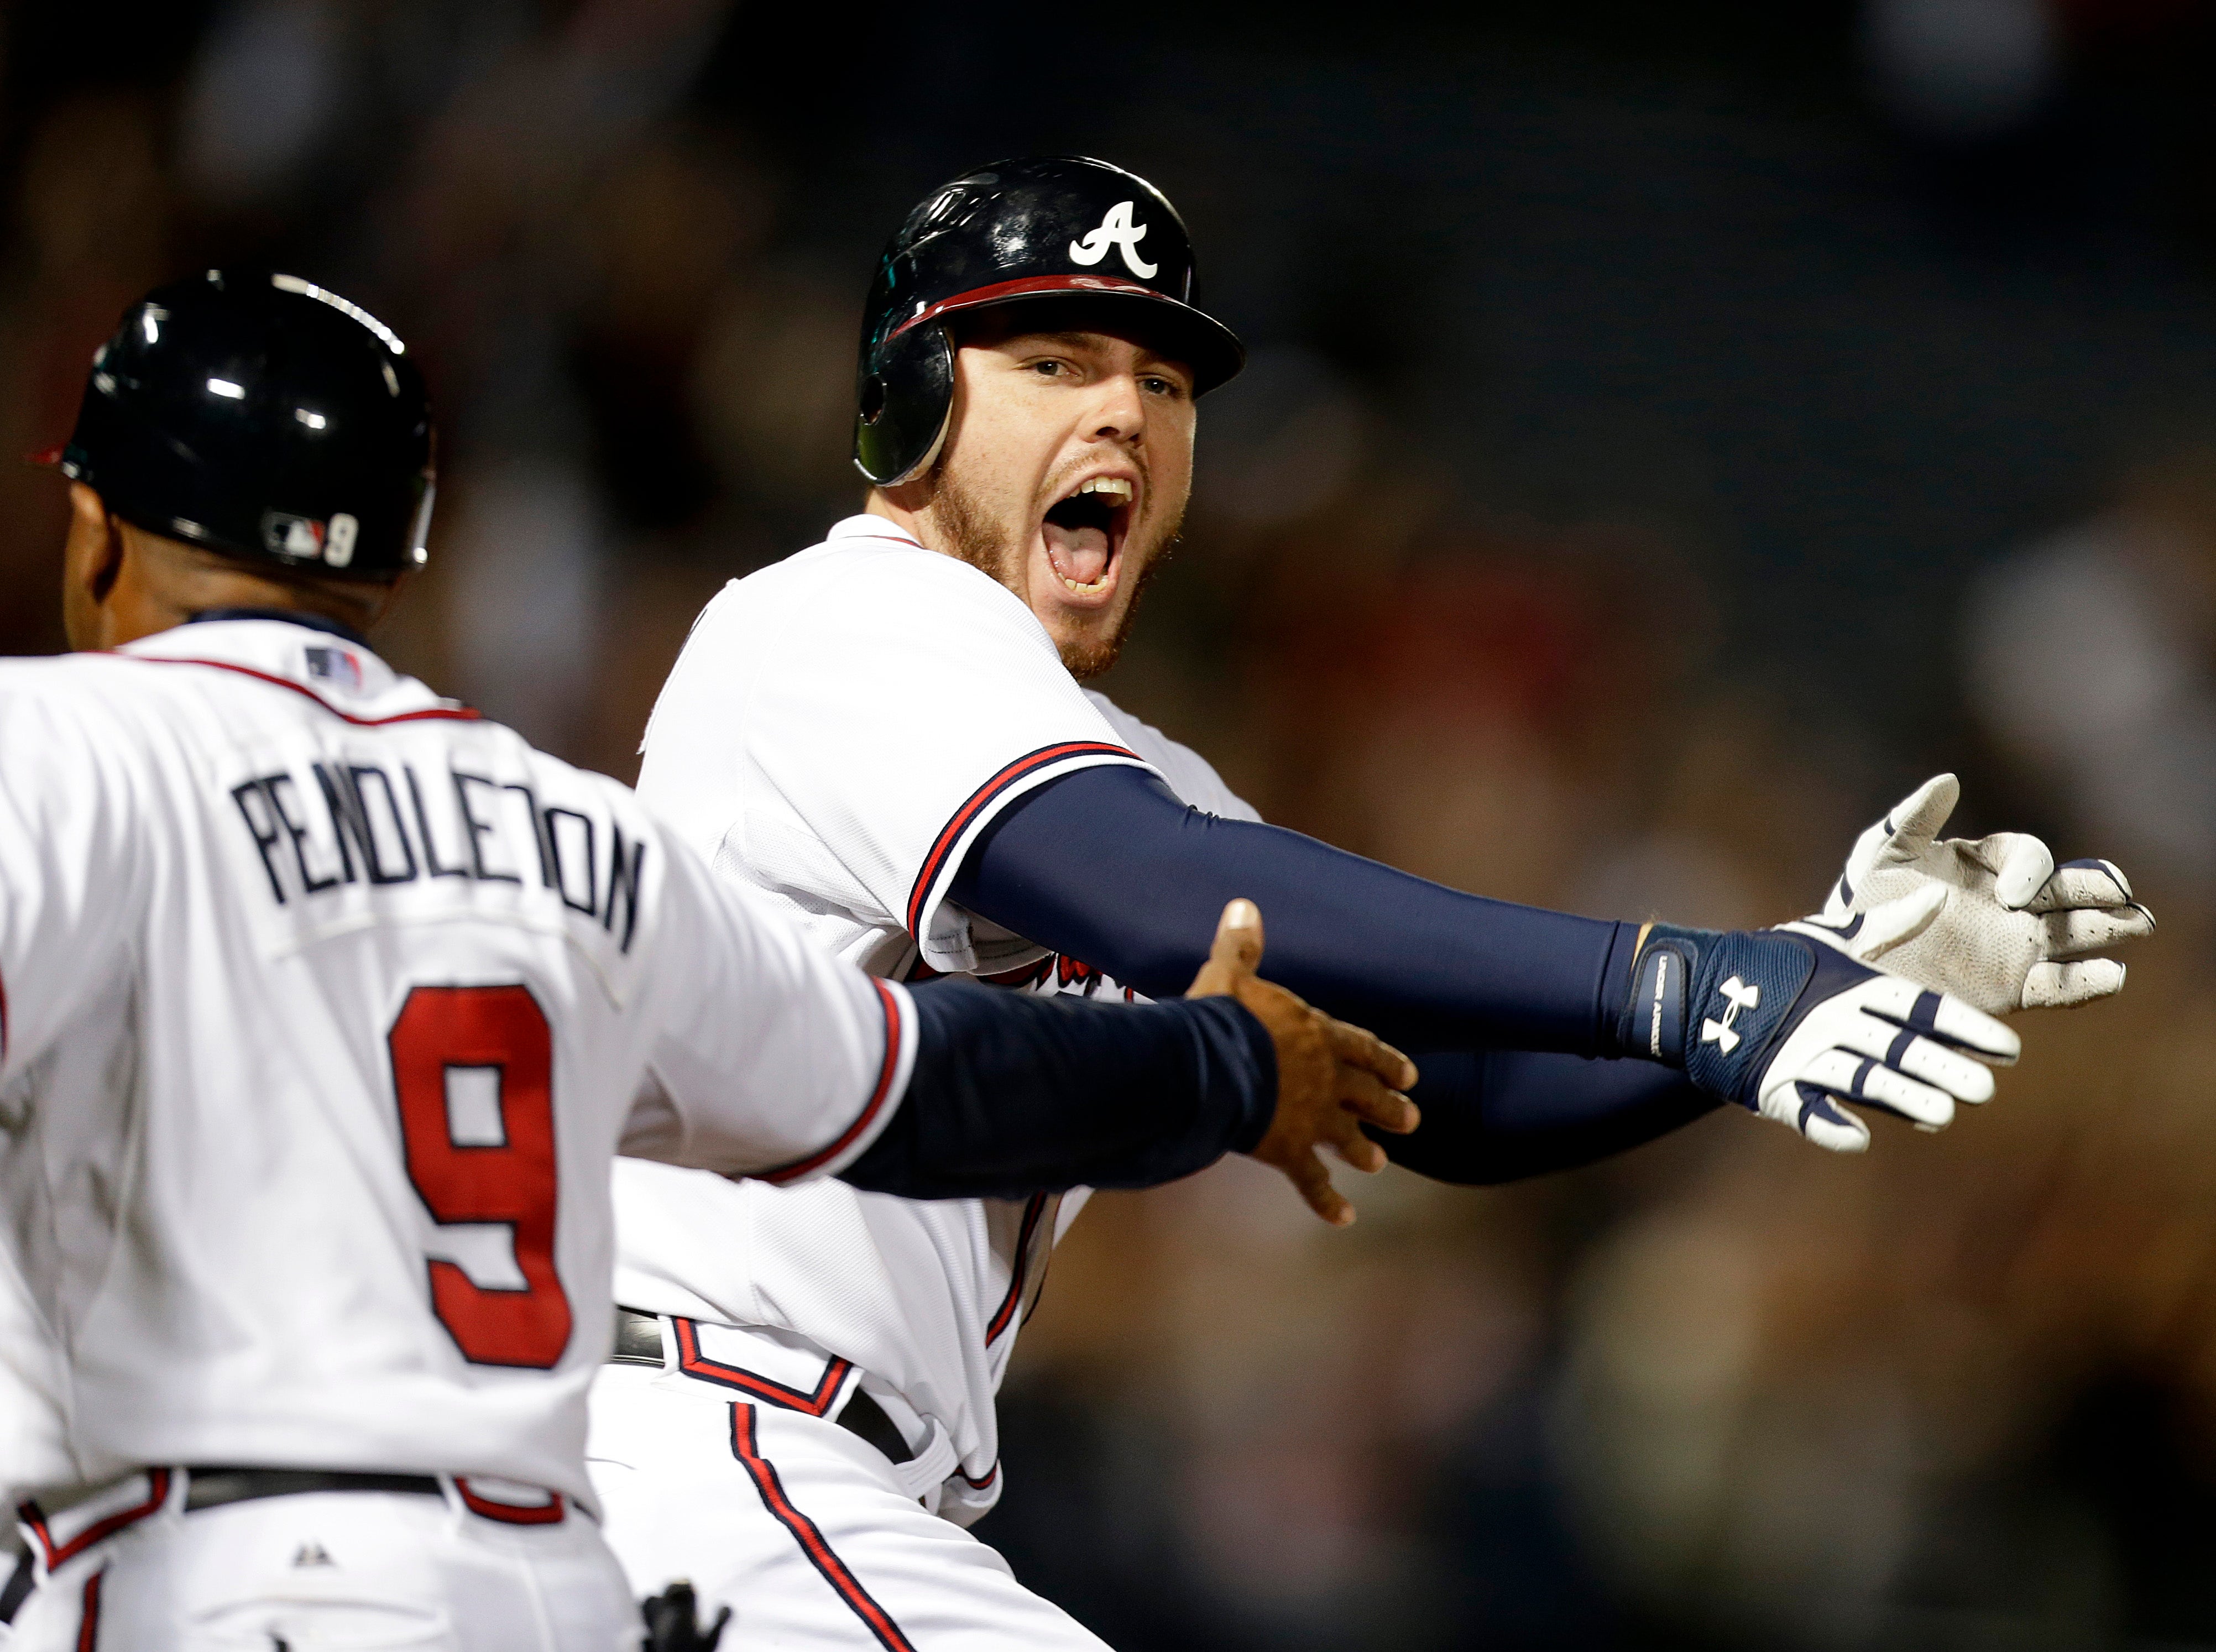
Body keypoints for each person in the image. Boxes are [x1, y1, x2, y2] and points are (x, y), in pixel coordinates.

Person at [590, 156, 2149, 1649]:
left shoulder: (1137, 770)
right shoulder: (842, 619)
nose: (1128, 411)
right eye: (1059, 364)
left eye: (1167, 383)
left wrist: (1813, 966)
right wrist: (1686, 980)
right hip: (704, 1437)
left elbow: (1445, 1088)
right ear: (913, 405)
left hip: (792, 1476)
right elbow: (1148, 893)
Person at [0, 270, 1417, 1650]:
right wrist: (1222, 1060)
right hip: (526, 1574)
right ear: (397, 555)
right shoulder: (565, 835)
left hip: (171, 1569)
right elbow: (924, 1080)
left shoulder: (52, 758)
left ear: (95, 533)